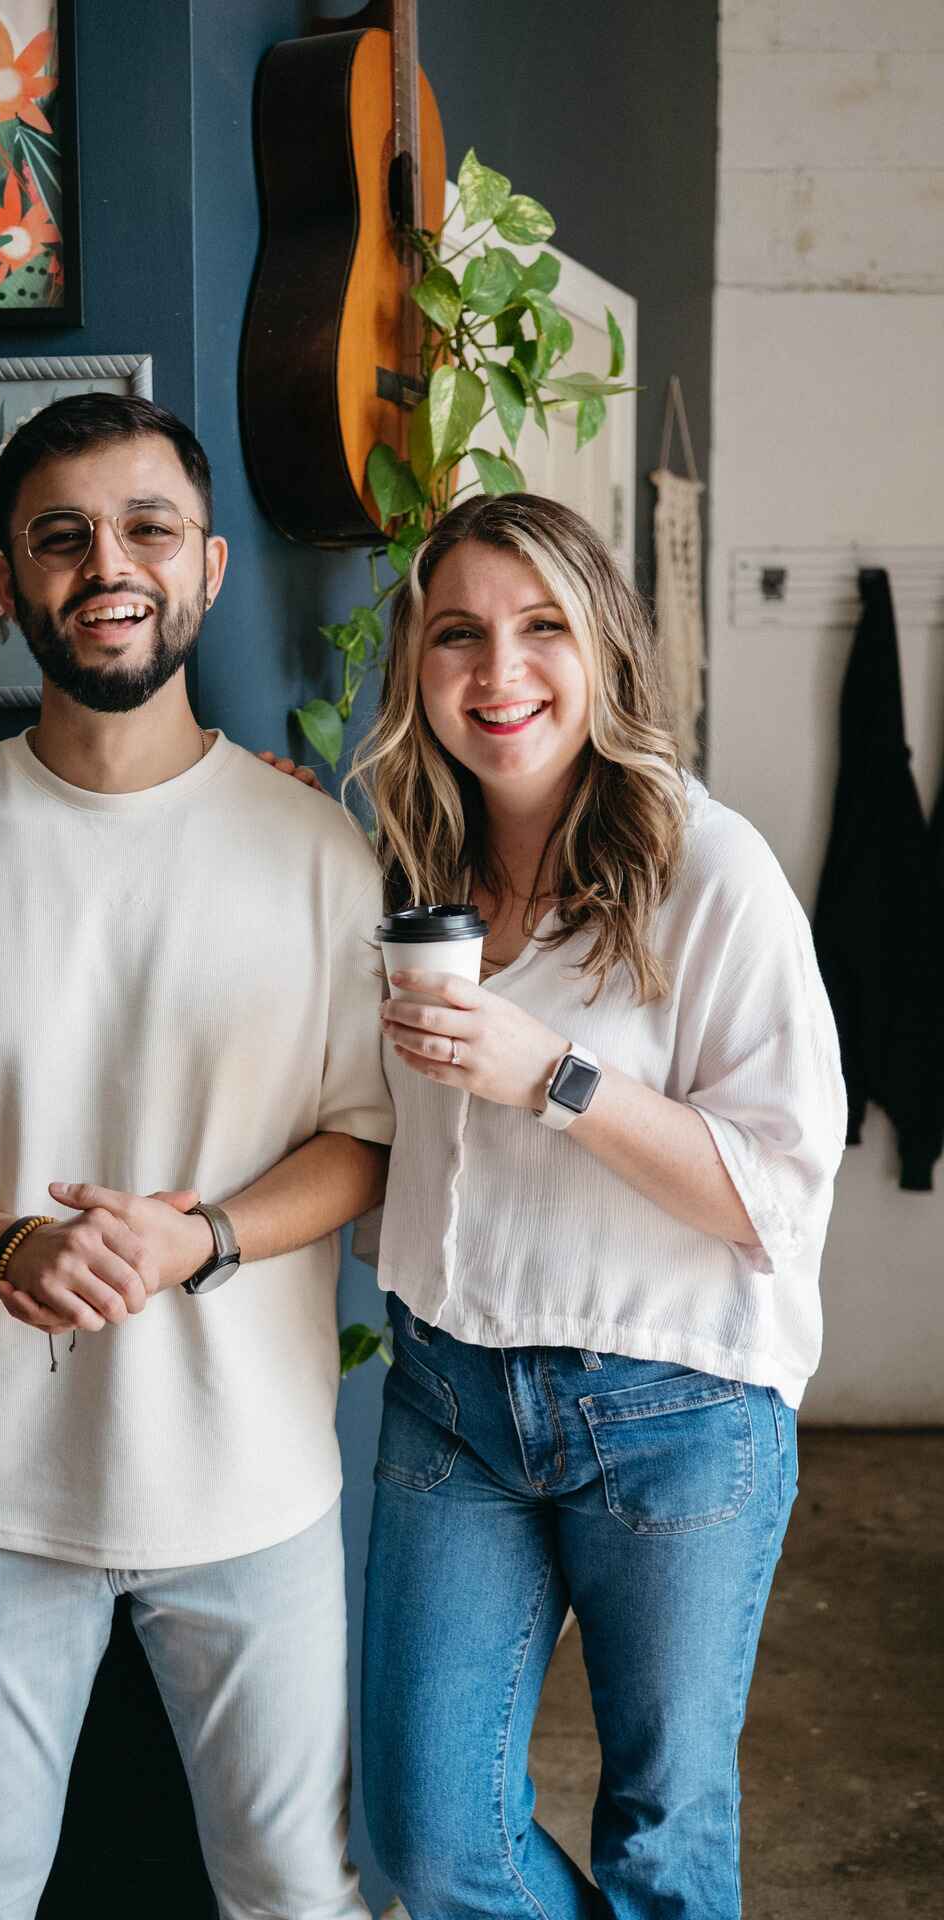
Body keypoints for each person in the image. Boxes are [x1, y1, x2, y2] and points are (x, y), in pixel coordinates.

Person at [0, 392, 392, 1920]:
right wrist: (7, 1246)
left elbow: (365, 1143)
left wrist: (207, 1238)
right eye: (61, 538)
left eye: (145, 529)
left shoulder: (321, 851)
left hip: (254, 1490)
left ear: (210, 567)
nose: (105, 565)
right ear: (5, 577)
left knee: (296, 1897)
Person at [344, 492, 846, 1919]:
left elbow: (774, 1199)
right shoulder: (402, 865)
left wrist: (553, 1076)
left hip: (676, 1409)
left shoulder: (712, 872)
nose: (499, 673)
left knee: (663, 1843)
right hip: (453, 1394)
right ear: (417, 668)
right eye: (458, 636)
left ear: (605, 651)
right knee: (431, 1845)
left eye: (540, 628)